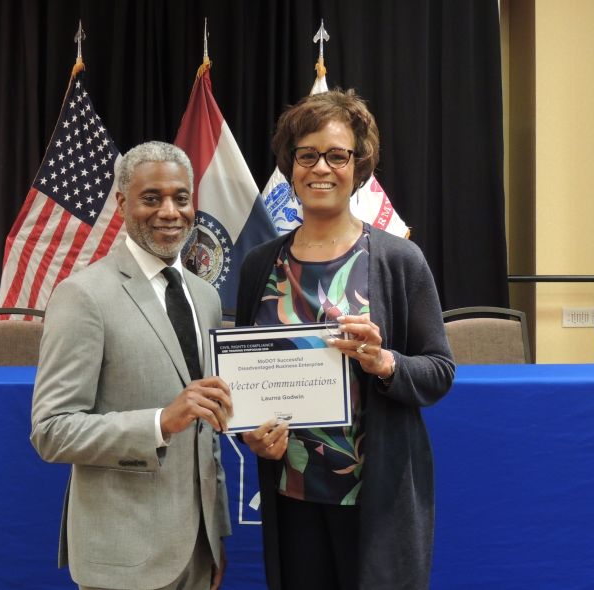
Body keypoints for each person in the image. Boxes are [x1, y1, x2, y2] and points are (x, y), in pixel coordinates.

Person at [236, 90, 455, 590]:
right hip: (292, 494)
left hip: (375, 498)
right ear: (290, 166)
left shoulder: (400, 260)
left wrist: (384, 363)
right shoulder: (259, 265)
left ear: (358, 168)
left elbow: (439, 371)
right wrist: (251, 435)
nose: (321, 168)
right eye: (307, 154)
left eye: (337, 155)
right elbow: (248, 375)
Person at [31, 141, 233, 590]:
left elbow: (207, 430)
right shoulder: (83, 295)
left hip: (198, 554)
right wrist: (161, 421)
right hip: (123, 560)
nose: (169, 211)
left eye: (181, 198)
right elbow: (51, 431)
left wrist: (215, 535)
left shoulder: (206, 298)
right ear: (122, 203)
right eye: (151, 198)